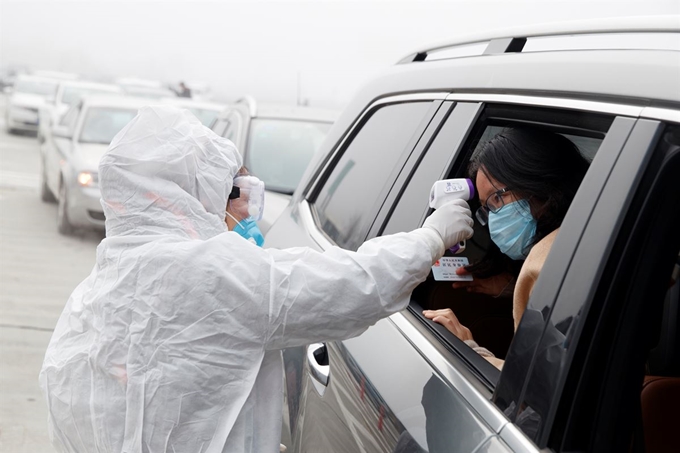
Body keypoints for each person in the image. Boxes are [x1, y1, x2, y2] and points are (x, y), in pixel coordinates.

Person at [39, 106, 474, 453]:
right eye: (231, 191)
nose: (244, 212)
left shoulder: (102, 281)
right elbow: (352, 285)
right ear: (186, 193)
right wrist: (433, 237)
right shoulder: (213, 272)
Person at [423, 128, 590, 368]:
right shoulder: (595, 242)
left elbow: (532, 396)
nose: (493, 219)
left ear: (537, 182)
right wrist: (517, 290)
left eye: (497, 199)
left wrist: (469, 350)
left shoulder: (551, 263)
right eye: (486, 209)